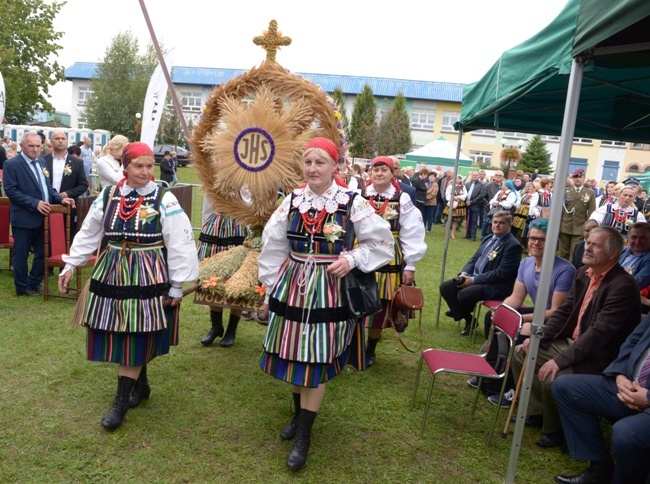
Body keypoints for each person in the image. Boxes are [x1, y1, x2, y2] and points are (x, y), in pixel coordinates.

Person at [257, 138, 394, 470]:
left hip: (329, 287)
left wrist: (352, 258)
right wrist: (271, 284)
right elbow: (273, 243)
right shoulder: (292, 200)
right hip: (294, 284)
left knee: (316, 357)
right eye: (308, 162)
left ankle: (304, 433)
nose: (313, 168)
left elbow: (382, 241)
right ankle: (297, 414)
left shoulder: (351, 202)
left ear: (335, 166)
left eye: (320, 162)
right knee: (293, 353)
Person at [58, 142, 199, 430]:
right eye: (139, 166)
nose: (146, 172)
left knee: (135, 332)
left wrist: (176, 285)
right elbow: (89, 232)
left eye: (150, 166)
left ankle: (120, 401)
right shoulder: (109, 196)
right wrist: (71, 265)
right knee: (123, 329)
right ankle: (142, 385)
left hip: (147, 273)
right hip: (112, 272)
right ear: (125, 167)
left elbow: (180, 243)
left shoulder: (164, 198)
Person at [511, 227, 641, 449]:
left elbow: (598, 335)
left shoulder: (622, 286)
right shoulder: (583, 273)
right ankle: (537, 412)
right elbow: (564, 311)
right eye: (587, 242)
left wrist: (559, 360)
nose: (587, 247)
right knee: (521, 353)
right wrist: (539, 338)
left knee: (555, 376)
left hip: (598, 355)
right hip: (571, 342)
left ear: (612, 253)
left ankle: (556, 430)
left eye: (595, 244)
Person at [475, 219, 575, 407]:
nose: (535, 243)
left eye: (542, 240)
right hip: (539, 312)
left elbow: (556, 311)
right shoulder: (527, 263)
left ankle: (513, 388)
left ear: (553, 243)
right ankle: (492, 372)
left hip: (557, 321)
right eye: (532, 238)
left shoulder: (565, 270)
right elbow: (516, 297)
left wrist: (519, 318)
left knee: (522, 330)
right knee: (492, 317)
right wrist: (502, 311)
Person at [553, 315, 650, 484]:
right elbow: (633, 340)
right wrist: (620, 375)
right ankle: (600, 467)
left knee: (626, 433)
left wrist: (648, 398)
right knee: (565, 388)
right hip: (627, 385)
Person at [363, 156, 426, 367]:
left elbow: (412, 231)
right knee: (356, 298)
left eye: (384, 170)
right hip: (362, 253)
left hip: (389, 256)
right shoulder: (360, 195)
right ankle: (351, 345)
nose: (379, 173)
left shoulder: (402, 198)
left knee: (380, 305)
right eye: (375, 170)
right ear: (370, 174)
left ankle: (370, 348)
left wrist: (410, 264)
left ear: (393, 174)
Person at [2, 132, 76, 296]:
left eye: (38, 146)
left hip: (43, 217)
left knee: (43, 252)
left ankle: (34, 282)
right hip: (23, 217)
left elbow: (47, 188)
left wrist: (59, 199)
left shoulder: (42, 162)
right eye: (31, 146)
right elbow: (11, 191)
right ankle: (21, 287)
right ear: (22, 146)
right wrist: (34, 203)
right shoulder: (12, 164)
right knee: (21, 253)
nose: (35, 149)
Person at [440, 211, 522, 336]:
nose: (497, 225)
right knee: (446, 287)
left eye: (501, 223)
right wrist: (464, 274)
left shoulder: (513, 245)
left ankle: (458, 310)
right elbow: (473, 259)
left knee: (464, 294)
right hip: (476, 278)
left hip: (497, 285)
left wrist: (473, 280)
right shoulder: (488, 238)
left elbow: (501, 273)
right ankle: (468, 318)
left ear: (509, 226)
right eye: (495, 222)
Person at [197, 196, 246, 347]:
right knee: (213, 275)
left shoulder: (245, 175)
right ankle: (216, 327)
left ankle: (231, 330)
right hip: (215, 226)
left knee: (238, 278)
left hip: (237, 223)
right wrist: (206, 224)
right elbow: (207, 205)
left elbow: (249, 201)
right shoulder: (213, 175)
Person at [43, 129, 88, 238]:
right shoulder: (42, 161)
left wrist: (68, 193)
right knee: (45, 237)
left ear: (67, 141)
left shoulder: (77, 162)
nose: (60, 141)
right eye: (57, 138)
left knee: (65, 237)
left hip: (67, 206)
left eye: (63, 138)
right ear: (51, 142)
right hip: (46, 204)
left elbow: (83, 185)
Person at [559, 168, 596, 260]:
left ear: (584, 178)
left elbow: (591, 211)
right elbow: (560, 210)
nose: (578, 179)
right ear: (572, 178)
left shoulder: (590, 193)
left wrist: (589, 228)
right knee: (563, 252)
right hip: (565, 226)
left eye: (580, 177)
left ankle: (572, 271)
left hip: (580, 227)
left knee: (575, 252)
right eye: (575, 177)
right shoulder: (566, 191)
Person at [618, 222, 650, 290]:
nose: (638, 241)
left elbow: (635, 283)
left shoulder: (648, 259)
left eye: (643, 238)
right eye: (634, 237)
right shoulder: (621, 250)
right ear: (629, 238)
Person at [481, 170, 505, 237]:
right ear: (494, 176)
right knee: (486, 223)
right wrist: (488, 205)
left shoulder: (504, 186)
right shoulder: (488, 185)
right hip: (489, 208)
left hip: (500, 209)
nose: (498, 177)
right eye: (496, 175)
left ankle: (494, 237)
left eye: (500, 175)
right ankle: (484, 237)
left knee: (497, 223)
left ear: (503, 177)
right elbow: (483, 196)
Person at [464, 171, 486, 241]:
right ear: (471, 175)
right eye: (473, 175)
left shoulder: (482, 185)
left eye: (476, 175)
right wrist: (466, 201)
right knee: (468, 220)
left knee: (474, 221)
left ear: (479, 176)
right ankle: (468, 234)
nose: (475, 176)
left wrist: (472, 202)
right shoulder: (467, 184)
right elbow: (464, 193)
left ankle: (473, 236)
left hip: (476, 205)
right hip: (467, 204)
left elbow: (481, 195)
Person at [444, 174, 468, 239]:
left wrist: (459, 197)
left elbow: (465, 195)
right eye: (456, 178)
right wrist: (454, 198)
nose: (457, 179)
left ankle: (452, 233)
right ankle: (447, 233)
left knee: (456, 220)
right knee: (449, 219)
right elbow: (447, 195)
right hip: (452, 203)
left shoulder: (463, 187)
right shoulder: (450, 186)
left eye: (459, 178)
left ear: (461, 179)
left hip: (460, 204)